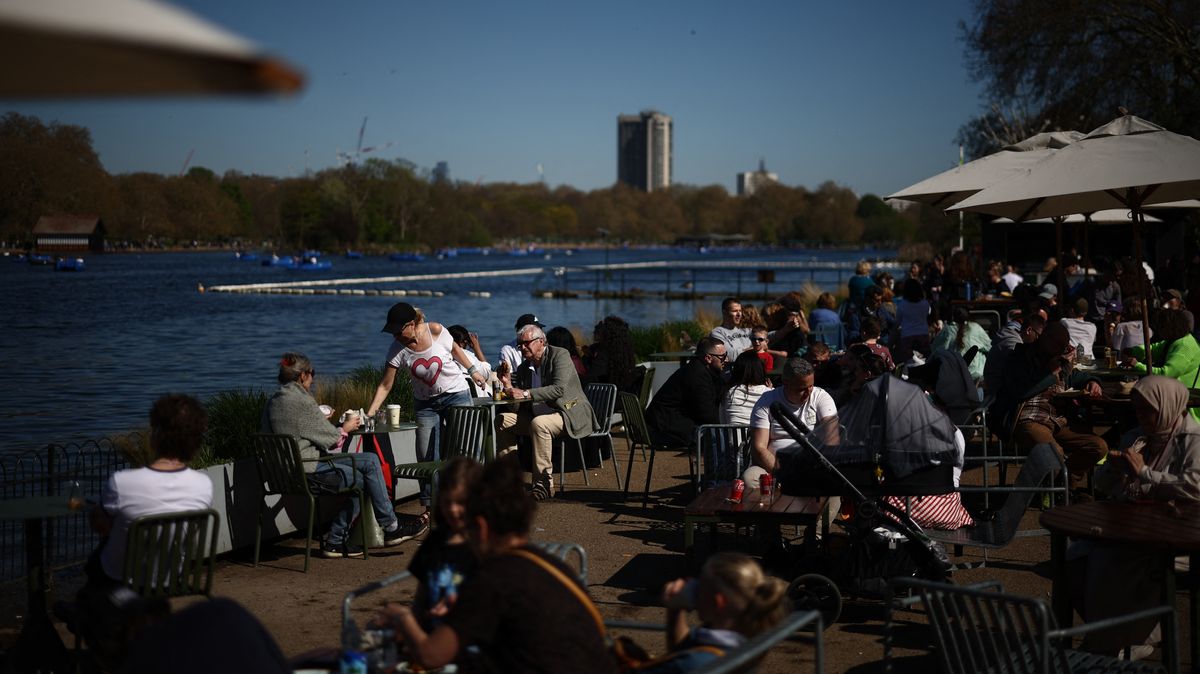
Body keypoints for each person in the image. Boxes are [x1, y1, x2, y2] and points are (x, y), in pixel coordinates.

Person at [380, 459, 616, 674]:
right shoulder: (545, 563)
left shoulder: (494, 579)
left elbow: (430, 655)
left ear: (481, 527)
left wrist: (401, 617)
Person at [1072, 376, 1200, 657]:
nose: (1140, 416)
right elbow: (1104, 486)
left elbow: (1195, 487)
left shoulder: (1193, 440)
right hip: (1137, 528)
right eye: (1137, 409)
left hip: (1180, 536)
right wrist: (1113, 469)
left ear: (1167, 406)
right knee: (1074, 560)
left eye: (1147, 410)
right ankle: (1114, 635)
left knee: (1108, 562)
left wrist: (1145, 474)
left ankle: (1121, 641)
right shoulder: (1138, 437)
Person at [264, 353, 410, 557]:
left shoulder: (272, 402)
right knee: (364, 479)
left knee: (370, 460)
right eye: (312, 373)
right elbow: (332, 440)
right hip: (308, 471)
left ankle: (386, 526)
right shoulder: (302, 401)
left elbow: (298, 431)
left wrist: (321, 423)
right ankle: (360, 534)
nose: (313, 378)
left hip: (280, 473)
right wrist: (346, 427)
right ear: (303, 375)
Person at [368, 303, 487, 513]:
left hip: (456, 394)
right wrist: (369, 413)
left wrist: (473, 370)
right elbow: (385, 385)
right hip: (425, 404)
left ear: (411, 324)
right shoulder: (397, 349)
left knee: (466, 447)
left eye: (398, 331)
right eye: (392, 332)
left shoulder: (436, 331)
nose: (395, 336)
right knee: (426, 454)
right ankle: (431, 508)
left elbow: (455, 349)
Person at [87, 394, 213, 587]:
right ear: (195, 443)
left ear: (155, 437)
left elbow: (101, 527)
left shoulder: (122, 482)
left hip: (121, 580)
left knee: (99, 555)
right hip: (169, 579)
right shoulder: (203, 485)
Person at [991, 323, 1106, 497]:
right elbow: (1020, 391)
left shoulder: (1060, 360)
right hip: (1027, 419)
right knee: (1054, 453)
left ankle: (1065, 486)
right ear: (1045, 338)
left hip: (1057, 420)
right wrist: (1051, 373)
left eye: (1063, 346)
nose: (1061, 349)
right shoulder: (1019, 357)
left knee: (1098, 447)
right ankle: (1053, 492)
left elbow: (1077, 376)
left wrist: (1092, 381)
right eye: (1057, 344)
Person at [640, 553, 790, 673]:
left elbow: (683, 659)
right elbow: (683, 648)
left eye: (699, 588)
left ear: (718, 602)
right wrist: (675, 609)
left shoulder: (694, 664)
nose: (693, 588)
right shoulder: (745, 637)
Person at [495, 324, 597, 501]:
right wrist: (508, 385)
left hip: (568, 412)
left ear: (541, 342)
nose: (522, 347)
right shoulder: (523, 368)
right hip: (537, 417)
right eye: (520, 344)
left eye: (526, 343)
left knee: (539, 424)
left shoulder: (560, 355)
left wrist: (525, 393)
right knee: (502, 419)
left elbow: (559, 389)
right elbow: (518, 408)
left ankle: (543, 484)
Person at [407, 457, 482, 630]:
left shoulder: (484, 546)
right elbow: (421, 598)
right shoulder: (435, 540)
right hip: (430, 634)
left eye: (460, 502)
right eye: (448, 502)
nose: (453, 509)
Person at [744, 358, 838, 488]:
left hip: (813, 467)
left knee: (832, 480)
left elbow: (832, 439)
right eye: (801, 389)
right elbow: (759, 448)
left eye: (811, 386)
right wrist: (783, 473)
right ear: (786, 383)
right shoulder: (767, 401)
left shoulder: (821, 397)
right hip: (774, 468)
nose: (808, 392)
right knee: (750, 478)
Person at [646, 338, 727, 450]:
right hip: (663, 427)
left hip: (671, 421)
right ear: (708, 358)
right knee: (717, 437)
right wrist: (729, 423)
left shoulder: (703, 370)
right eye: (722, 356)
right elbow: (707, 414)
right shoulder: (697, 375)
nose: (726, 359)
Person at [1123, 309, 1200, 423]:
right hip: (1171, 392)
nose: (1159, 331)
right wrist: (1133, 351)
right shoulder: (1174, 340)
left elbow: (1166, 373)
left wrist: (1138, 365)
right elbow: (1153, 349)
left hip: (1183, 399)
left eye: (1161, 327)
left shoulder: (1184, 345)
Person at [983, 307, 1046, 396]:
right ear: (1029, 330)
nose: (1038, 341)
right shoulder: (1013, 344)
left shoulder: (1013, 337)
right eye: (1038, 336)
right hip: (999, 394)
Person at [931, 306, 991, 383]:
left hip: (953, 376)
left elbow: (934, 348)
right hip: (975, 375)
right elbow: (989, 346)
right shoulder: (975, 327)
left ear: (953, 317)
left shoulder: (947, 330)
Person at [583, 315, 640, 394]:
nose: (598, 327)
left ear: (608, 333)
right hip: (620, 393)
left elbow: (590, 378)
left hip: (604, 397)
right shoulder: (623, 351)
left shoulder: (603, 353)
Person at [720, 352, 770, 426]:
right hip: (762, 433)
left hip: (734, 434)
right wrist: (770, 390)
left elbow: (722, 421)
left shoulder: (729, 392)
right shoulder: (770, 394)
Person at [448, 324, 493, 397]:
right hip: (479, 400)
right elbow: (486, 373)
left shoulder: (443, 355)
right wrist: (476, 348)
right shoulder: (467, 355)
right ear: (463, 342)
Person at [895, 278, 931, 365]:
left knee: (909, 362)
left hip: (907, 336)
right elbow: (928, 315)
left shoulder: (902, 305)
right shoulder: (925, 304)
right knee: (924, 360)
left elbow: (898, 322)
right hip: (923, 335)